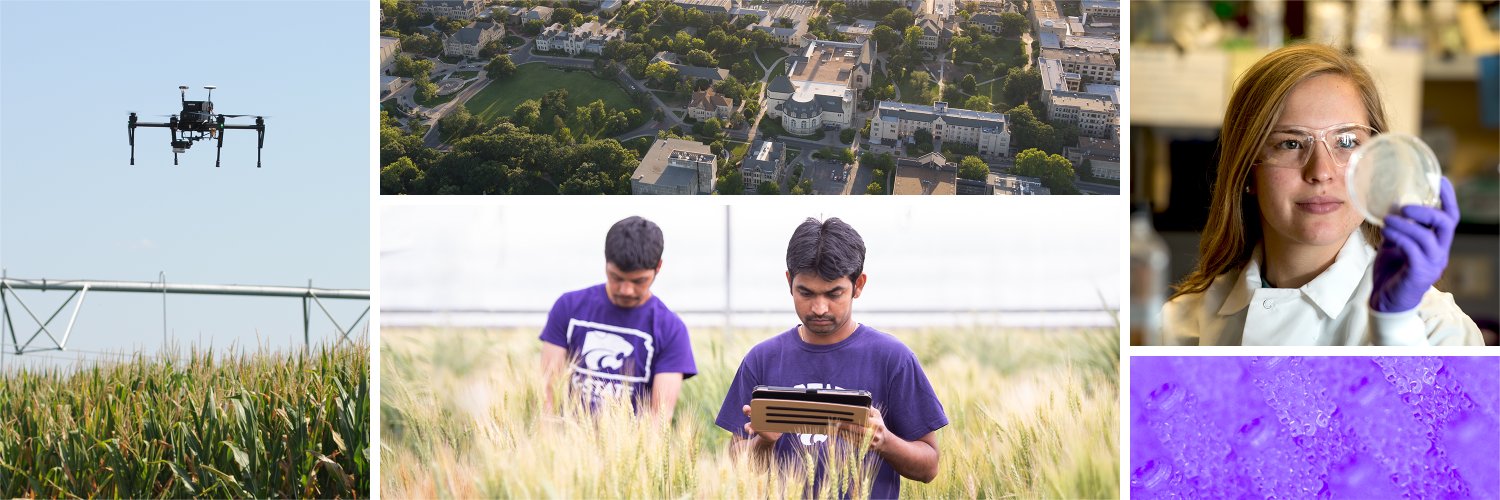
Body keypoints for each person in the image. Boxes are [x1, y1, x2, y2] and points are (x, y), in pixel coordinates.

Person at [1163, 44, 1481, 345]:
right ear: (1247, 171)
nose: (1320, 171)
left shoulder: (1437, 328)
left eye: (1346, 142)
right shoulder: (1180, 327)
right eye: (1290, 143)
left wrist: (1394, 325)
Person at [715, 217, 947, 498]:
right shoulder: (761, 359)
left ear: (858, 285)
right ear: (789, 282)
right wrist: (764, 442)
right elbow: (740, 468)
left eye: (834, 293)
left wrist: (884, 441)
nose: (819, 307)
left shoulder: (893, 359)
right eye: (806, 293)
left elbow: (929, 467)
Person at [540, 216, 697, 419]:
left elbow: (659, 420)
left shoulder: (671, 330)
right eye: (616, 277)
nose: (626, 290)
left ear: (658, 267)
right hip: (563, 447)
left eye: (639, 281)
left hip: (630, 448)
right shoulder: (568, 307)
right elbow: (547, 398)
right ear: (606, 261)